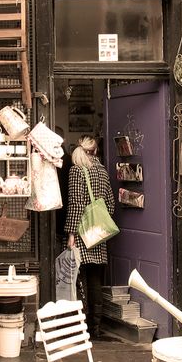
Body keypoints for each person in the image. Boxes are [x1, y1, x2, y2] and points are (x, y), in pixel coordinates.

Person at [64, 135, 115, 338]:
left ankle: (81, 324)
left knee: (79, 279)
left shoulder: (76, 171)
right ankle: (96, 328)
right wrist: (99, 223)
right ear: (95, 152)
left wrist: (71, 233)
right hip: (98, 232)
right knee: (94, 279)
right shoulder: (102, 171)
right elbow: (110, 203)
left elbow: (76, 204)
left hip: (81, 232)